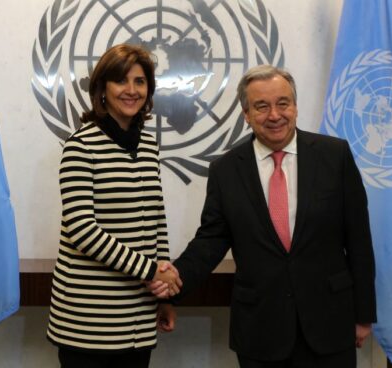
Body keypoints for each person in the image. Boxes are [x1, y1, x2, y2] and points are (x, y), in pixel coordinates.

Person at [151, 65, 376, 367]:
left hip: (330, 325)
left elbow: (359, 240)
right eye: (261, 106)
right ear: (246, 114)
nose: (274, 115)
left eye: (283, 103)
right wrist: (173, 284)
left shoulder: (335, 156)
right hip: (261, 330)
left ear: (295, 107)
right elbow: (210, 242)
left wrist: (363, 315)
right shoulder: (226, 170)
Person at [47, 44, 181, 368]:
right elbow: (83, 231)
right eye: (121, 81)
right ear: (102, 89)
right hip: (89, 324)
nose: (131, 91)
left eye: (140, 82)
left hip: (138, 319)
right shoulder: (80, 146)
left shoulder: (148, 144)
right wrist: (152, 271)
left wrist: (163, 292)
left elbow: (156, 218)